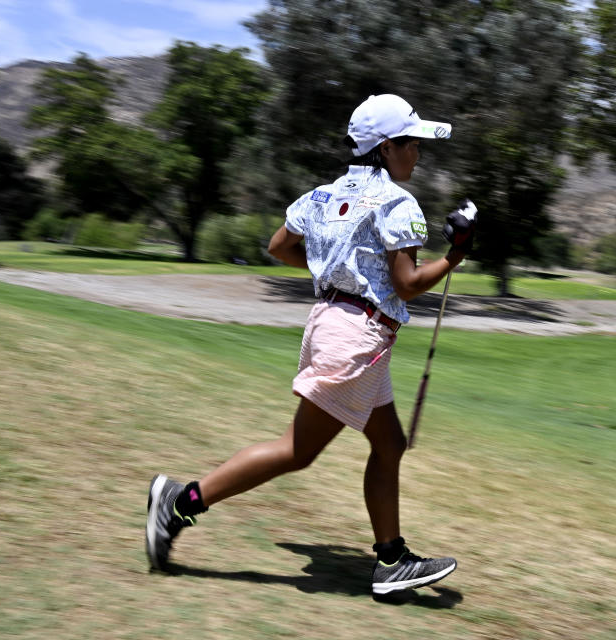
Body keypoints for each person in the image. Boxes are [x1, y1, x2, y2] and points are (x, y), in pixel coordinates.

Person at [145, 94, 476, 596]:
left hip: (331, 323)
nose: (418, 154)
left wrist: (335, 272)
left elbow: (280, 247)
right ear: (386, 148)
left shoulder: (322, 195)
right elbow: (407, 284)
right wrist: (457, 253)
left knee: (389, 444)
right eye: (411, 143)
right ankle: (180, 502)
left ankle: (391, 559)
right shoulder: (396, 202)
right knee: (296, 450)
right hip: (357, 336)